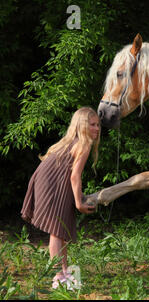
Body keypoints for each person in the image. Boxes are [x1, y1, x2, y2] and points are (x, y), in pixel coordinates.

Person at [21, 107, 100, 289]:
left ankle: (65, 272)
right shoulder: (83, 144)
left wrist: (76, 197)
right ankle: (58, 277)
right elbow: (74, 176)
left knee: (60, 229)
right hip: (51, 185)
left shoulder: (72, 141)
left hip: (51, 182)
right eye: (92, 125)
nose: (97, 129)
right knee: (57, 231)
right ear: (81, 125)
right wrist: (79, 202)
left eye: (98, 125)